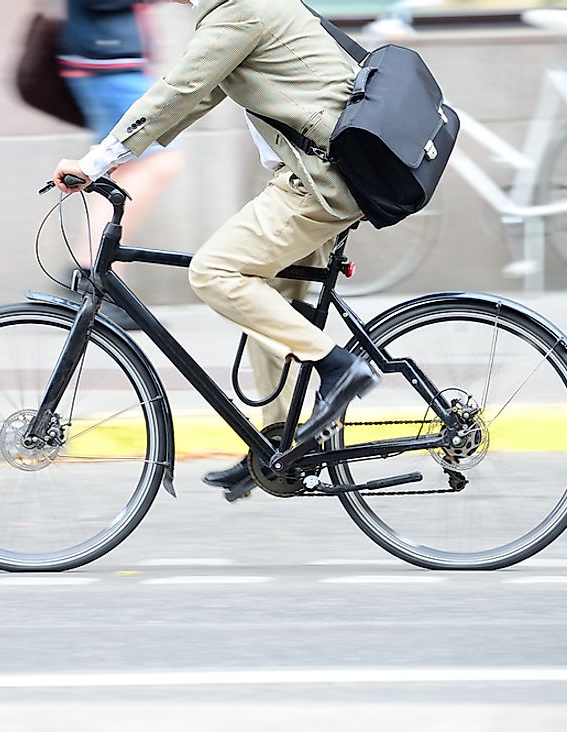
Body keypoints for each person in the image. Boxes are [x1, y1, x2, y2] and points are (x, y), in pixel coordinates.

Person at [52, 0, 379, 498]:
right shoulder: (242, 10)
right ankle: (277, 445)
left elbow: (179, 90)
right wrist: (118, 156)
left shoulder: (239, 11)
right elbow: (197, 91)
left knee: (215, 272)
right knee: (274, 302)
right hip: (330, 172)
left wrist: (98, 161)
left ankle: (338, 367)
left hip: (320, 181)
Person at [58, 0, 185, 328]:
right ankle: (92, 276)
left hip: (108, 62)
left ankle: (95, 279)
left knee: (126, 170)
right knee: (161, 161)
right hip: (106, 64)